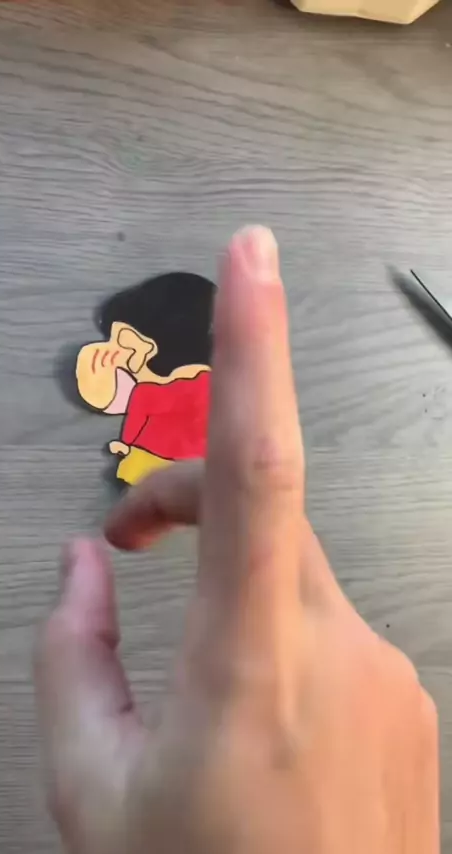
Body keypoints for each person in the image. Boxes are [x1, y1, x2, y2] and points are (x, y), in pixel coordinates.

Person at [36, 226, 439, 854]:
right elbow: (115, 397)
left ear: (159, 350)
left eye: (127, 343)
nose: (112, 354)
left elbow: (133, 411)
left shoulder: (180, 397)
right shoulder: (162, 392)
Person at [75, 272, 214, 485]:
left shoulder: (162, 390)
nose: (114, 353)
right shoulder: (151, 390)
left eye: (124, 343)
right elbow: (127, 404)